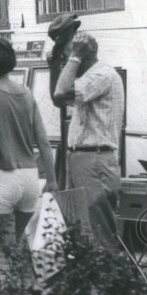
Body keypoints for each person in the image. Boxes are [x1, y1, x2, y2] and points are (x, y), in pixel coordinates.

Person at [0, 37, 58, 295]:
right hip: (29, 179)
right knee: (16, 246)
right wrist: (51, 180)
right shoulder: (26, 94)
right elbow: (43, 142)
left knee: (3, 257)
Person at [53, 31, 125, 248]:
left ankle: (110, 279)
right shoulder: (90, 78)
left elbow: (60, 93)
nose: (67, 65)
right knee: (80, 231)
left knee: (98, 233)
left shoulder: (101, 75)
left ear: (81, 56)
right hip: (83, 157)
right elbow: (58, 98)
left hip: (93, 158)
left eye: (70, 59)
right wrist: (57, 59)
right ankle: (91, 278)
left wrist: (73, 55)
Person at [47, 13, 82, 188]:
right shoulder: (66, 64)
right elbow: (58, 98)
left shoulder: (83, 63)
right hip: (76, 143)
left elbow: (59, 95)